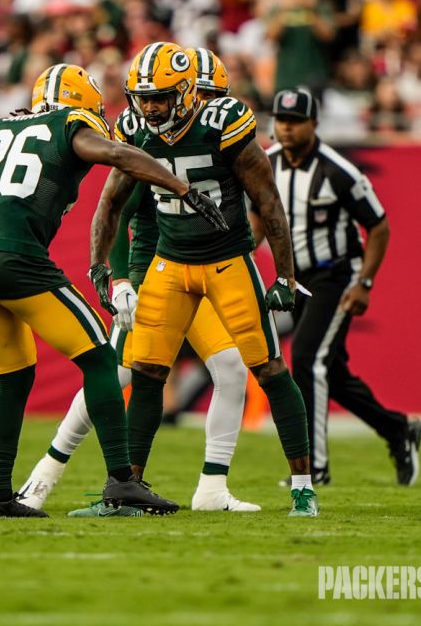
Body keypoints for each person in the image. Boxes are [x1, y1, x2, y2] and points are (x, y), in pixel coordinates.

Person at [0, 63, 228, 518]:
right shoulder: (70, 123)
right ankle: (122, 482)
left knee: (14, 378)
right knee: (100, 358)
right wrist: (183, 189)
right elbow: (118, 156)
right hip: (18, 259)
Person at [18, 49, 260, 513]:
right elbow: (119, 213)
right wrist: (123, 278)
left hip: (201, 274)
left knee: (230, 370)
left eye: (211, 98)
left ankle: (212, 489)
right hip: (156, 277)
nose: (203, 109)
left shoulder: (220, 138)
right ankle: (44, 475)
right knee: (114, 376)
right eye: (200, 96)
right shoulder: (144, 139)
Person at [89, 41, 319, 517]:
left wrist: (286, 275)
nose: (149, 107)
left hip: (226, 261)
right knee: (148, 374)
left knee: (268, 368)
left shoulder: (223, 124)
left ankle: (302, 486)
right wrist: (105, 269)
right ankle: (128, 490)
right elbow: (111, 202)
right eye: (143, 97)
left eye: (161, 96)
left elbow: (268, 203)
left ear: (189, 92)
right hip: (168, 263)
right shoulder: (133, 127)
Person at [256, 88, 421, 486]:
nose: (287, 129)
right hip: (293, 279)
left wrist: (364, 283)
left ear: (314, 124)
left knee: (309, 360)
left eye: (295, 122)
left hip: (335, 274)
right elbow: (256, 216)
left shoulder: (338, 170)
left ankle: (314, 468)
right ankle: (398, 430)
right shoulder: (265, 163)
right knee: (331, 371)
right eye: (281, 121)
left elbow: (378, 225)